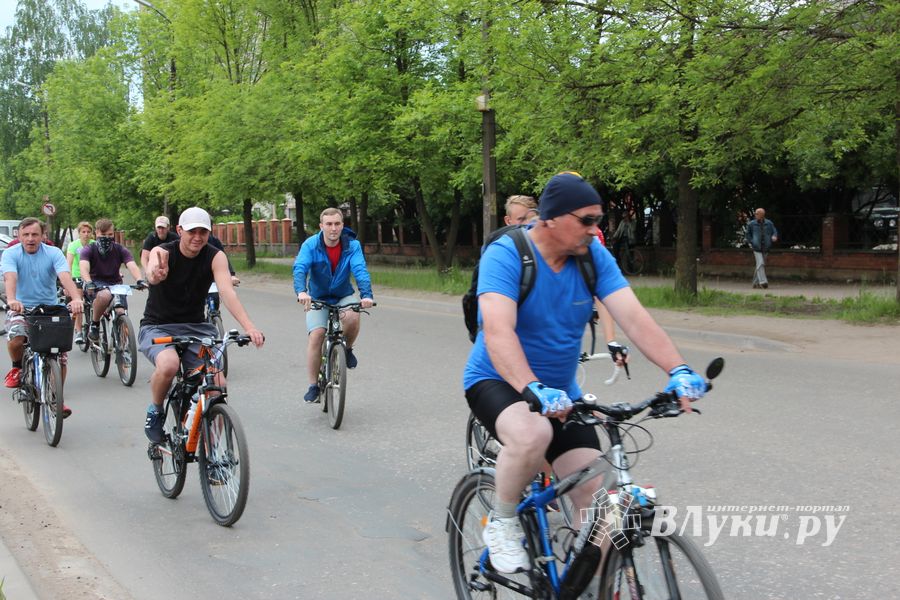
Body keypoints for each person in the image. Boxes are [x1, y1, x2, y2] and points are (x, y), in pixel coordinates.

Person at [464, 172, 706, 573]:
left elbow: (634, 317)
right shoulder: (508, 253)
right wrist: (530, 387)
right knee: (532, 434)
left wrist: (677, 368)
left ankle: (579, 580)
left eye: (599, 220)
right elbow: (497, 330)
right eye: (587, 220)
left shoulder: (593, 256)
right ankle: (503, 522)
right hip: (499, 380)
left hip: (560, 391)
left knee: (601, 510)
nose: (596, 230)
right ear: (552, 219)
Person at [141, 207, 265, 442]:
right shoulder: (162, 251)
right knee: (168, 364)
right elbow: (151, 273)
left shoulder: (215, 256)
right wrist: (156, 275)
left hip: (197, 328)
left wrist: (250, 327)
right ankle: (156, 410)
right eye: (191, 231)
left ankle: (215, 450)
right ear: (179, 230)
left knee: (217, 384)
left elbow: (227, 293)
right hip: (158, 326)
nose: (197, 237)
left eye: (203, 232)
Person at [1, 218, 84, 416]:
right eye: (26, 235)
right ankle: (17, 368)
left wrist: (76, 298)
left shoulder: (53, 253)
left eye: (35, 234)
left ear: (43, 236)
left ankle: (56, 398)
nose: (30, 239)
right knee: (17, 338)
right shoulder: (11, 254)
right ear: (19, 236)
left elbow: (64, 276)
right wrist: (12, 299)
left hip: (49, 308)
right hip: (21, 307)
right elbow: (10, 277)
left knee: (60, 355)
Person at [293, 207, 374, 404]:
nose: (333, 228)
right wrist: (301, 292)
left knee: (354, 315)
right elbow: (300, 268)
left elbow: (360, 269)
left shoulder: (352, 246)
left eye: (337, 224)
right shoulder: (310, 245)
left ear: (342, 225)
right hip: (317, 297)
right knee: (317, 335)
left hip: (342, 295)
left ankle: (347, 349)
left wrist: (366, 295)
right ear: (321, 226)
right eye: (329, 224)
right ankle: (313, 385)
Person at [79, 219, 147, 342]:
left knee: (121, 311)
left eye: (110, 235)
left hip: (115, 284)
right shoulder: (89, 249)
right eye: (103, 235)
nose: (107, 238)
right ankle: (95, 324)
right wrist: (88, 281)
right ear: (96, 233)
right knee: (104, 295)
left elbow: (131, 264)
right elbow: (84, 267)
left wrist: (139, 280)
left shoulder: (120, 249)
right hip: (95, 284)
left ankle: (123, 345)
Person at [66, 221, 94, 345]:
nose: (86, 234)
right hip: (77, 275)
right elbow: (69, 263)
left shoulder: (94, 244)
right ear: (79, 233)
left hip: (91, 276)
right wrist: (69, 279)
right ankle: (78, 331)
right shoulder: (73, 245)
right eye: (83, 232)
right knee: (78, 301)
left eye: (88, 232)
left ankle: (95, 325)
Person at [745, 208, 778, 289]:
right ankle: (763, 282)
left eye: (757, 213)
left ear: (761, 215)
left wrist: (774, 236)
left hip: (766, 247)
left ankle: (755, 283)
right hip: (756, 247)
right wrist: (751, 242)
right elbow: (747, 234)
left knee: (760, 265)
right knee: (760, 263)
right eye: (755, 213)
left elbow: (774, 231)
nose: (755, 215)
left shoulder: (769, 223)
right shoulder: (751, 224)